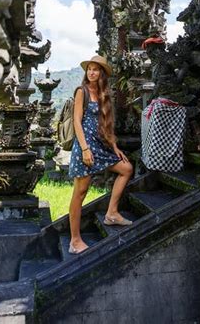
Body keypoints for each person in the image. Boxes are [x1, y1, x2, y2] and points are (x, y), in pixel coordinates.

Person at [68, 55, 134, 254]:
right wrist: (85, 149)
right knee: (80, 192)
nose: (91, 72)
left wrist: (115, 148)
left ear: (102, 73)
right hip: (84, 146)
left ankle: (112, 213)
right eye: (89, 69)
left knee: (126, 168)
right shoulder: (82, 91)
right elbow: (76, 122)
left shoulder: (104, 94)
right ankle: (74, 240)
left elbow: (106, 126)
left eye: (96, 69)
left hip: (101, 146)